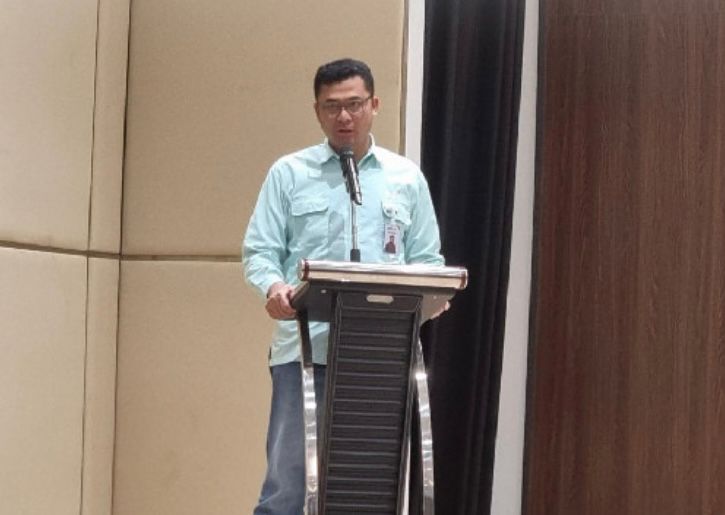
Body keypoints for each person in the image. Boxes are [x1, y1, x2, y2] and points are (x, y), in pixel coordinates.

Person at [242, 58, 444, 515]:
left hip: (380, 357)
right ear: (317, 112)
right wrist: (274, 288)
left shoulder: (405, 178)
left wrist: (433, 297)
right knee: (288, 488)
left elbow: (428, 261)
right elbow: (260, 250)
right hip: (306, 351)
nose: (345, 116)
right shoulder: (289, 173)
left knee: (367, 488)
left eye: (355, 104)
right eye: (332, 107)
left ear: (375, 104)